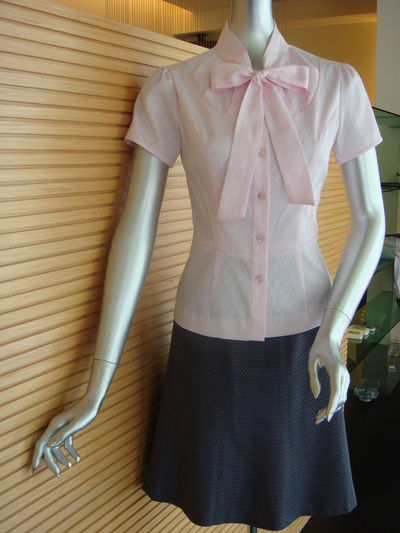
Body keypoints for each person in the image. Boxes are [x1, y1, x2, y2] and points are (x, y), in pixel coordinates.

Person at [32, 0, 385, 530]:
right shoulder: (173, 87)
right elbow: (136, 228)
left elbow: (372, 218)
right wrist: (97, 384)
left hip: (308, 339)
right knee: (215, 493)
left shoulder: (337, 84)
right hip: (207, 340)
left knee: (284, 498)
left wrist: (333, 331)